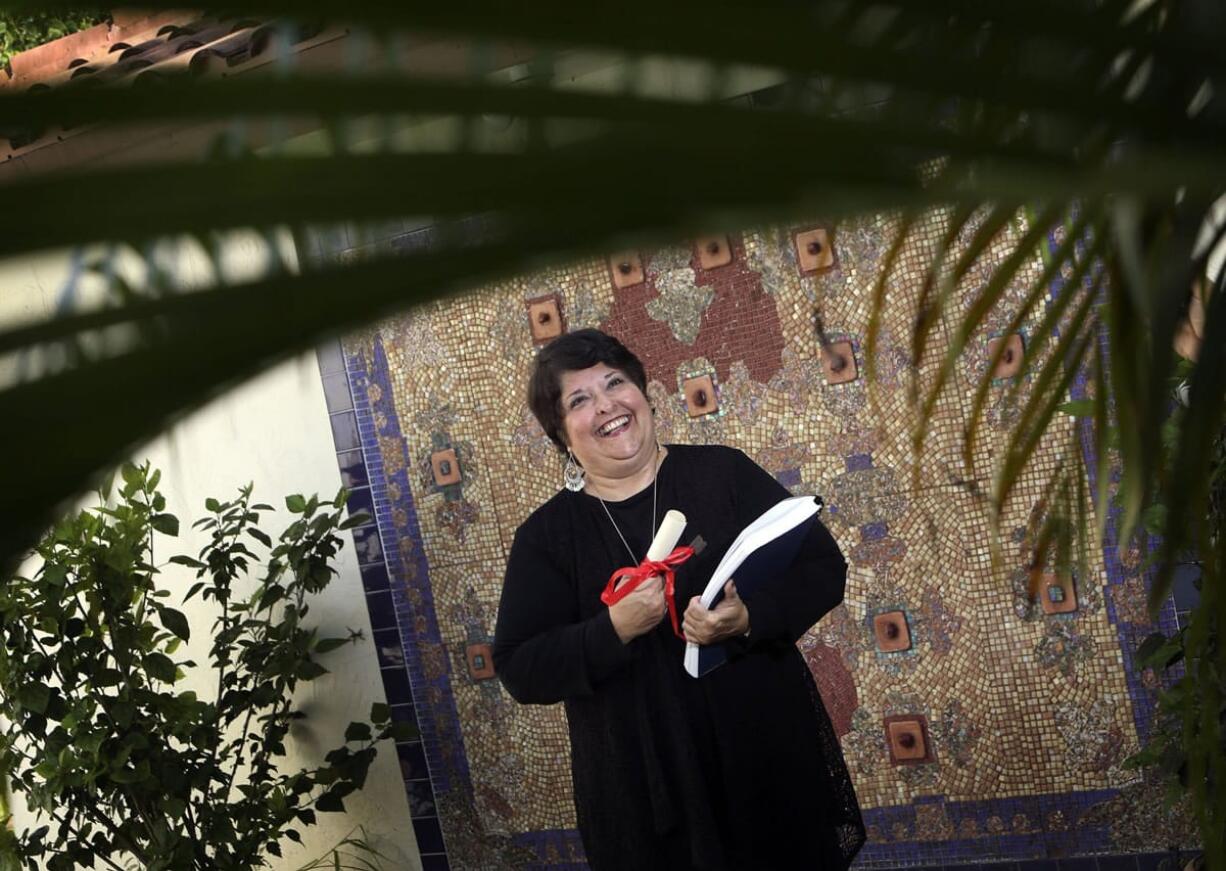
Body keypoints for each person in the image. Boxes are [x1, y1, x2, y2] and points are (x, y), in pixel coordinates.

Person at [493, 329, 865, 871]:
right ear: (561, 435)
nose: (606, 406)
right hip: (643, 789)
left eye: (614, 383)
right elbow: (520, 668)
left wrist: (748, 618)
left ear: (642, 392)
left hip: (760, 757)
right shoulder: (547, 537)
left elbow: (823, 568)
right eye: (579, 399)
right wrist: (613, 628)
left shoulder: (722, 473)